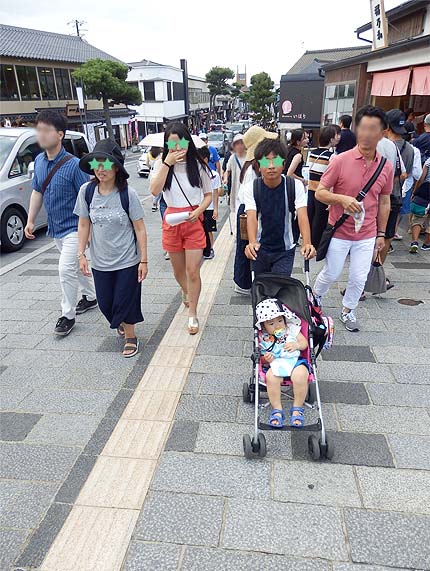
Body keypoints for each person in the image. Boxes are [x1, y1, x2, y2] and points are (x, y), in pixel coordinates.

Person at [313, 105, 393, 332]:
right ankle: (316, 297)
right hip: (339, 230)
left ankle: (348, 310)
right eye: (362, 128)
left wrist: (381, 233)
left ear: (383, 132)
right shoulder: (340, 160)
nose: (366, 133)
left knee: (359, 277)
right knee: (332, 272)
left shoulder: (385, 166)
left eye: (372, 128)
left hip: (367, 233)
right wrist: (340, 199)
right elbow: (320, 192)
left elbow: (384, 201)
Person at [24, 109, 97, 336]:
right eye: (39, 130)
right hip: (55, 229)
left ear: (60, 135)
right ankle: (92, 296)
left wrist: (90, 232)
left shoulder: (74, 165)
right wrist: (30, 220)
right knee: (75, 269)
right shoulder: (39, 160)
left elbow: (88, 199)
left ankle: (67, 315)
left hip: (75, 228)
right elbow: (37, 191)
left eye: (46, 130)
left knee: (65, 269)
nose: (41, 134)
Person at [74, 139, 147, 358]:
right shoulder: (86, 192)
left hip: (127, 259)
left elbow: (141, 229)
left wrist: (144, 260)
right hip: (100, 261)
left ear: (116, 167)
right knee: (106, 304)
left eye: (105, 163)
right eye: (96, 163)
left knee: (127, 299)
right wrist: (81, 255)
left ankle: (131, 335)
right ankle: (120, 321)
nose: (100, 168)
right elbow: (84, 223)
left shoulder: (128, 194)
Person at [150, 122, 212, 335]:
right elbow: (154, 190)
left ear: (188, 141)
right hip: (172, 222)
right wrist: (166, 164)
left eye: (181, 142)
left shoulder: (199, 166)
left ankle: (193, 313)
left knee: (192, 270)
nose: (177, 147)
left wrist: (199, 210)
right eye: (172, 143)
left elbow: (208, 195)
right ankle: (187, 291)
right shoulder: (161, 165)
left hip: (194, 221)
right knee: (178, 271)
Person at [244, 137, 316, 277]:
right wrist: (252, 242)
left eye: (275, 160)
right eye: (266, 161)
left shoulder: (295, 186)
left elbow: (302, 215)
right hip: (260, 248)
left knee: (281, 289)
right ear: (259, 166)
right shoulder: (251, 188)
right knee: (261, 289)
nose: (271, 166)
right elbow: (251, 216)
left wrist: (307, 243)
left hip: (285, 250)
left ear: (283, 164)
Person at [233, 127, 276, 295]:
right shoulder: (254, 168)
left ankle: (243, 283)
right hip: (250, 210)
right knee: (248, 248)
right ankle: (244, 284)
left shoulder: (250, 165)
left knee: (245, 248)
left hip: (246, 209)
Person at [256, 298, 310, 428]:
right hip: (276, 363)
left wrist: (296, 345)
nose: (278, 325)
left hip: (295, 361)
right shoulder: (263, 337)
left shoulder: (291, 328)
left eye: (280, 320)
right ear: (263, 326)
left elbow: (304, 344)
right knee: (271, 377)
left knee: (301, 375)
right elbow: (261, 358)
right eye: (271, 323)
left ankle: (297, 409)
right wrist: (266, 358)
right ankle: (277, 409)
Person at [382, 109, 415, 261]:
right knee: (388, 236)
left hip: (379, 198)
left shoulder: (381, 145)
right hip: (396, 196)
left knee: (371, 236)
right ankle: (378, 268)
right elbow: (406, 174)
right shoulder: (410, 148)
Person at [307, 125, 339, 248]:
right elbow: (332, 178)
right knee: (320, 220)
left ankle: (309, 242)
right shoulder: (332, 156)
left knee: (312, 217)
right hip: (322, 192)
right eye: (337, 135)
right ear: (331, 139)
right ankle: (316, 245)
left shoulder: (312, 153)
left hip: (311, 190)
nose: (338, 137)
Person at [198, 146, 220, 260]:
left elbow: (216, 192)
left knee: (209, 229)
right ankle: (202, 248)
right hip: (198, 206)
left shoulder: (214, 175)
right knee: (200, 229)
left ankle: (210, 248)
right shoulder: (195, 174)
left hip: (209, 207)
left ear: (206, 159)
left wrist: (216, 209)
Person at [410, 157, 430, 253]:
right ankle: (426, 244)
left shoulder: (429, 161)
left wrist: (415, 191)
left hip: (426, 190)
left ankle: (414, 242)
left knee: (418, 218)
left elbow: (422, 178)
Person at [223, 134, 247, 212]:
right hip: (236, 189)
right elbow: (227, 170)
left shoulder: (249, 156)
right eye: (237, 143)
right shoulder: (232, 158)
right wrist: (225, 179)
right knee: (238, 213)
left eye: (241, 143)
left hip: (247, 189)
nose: (239, 146)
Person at [148, 147, 163, 212]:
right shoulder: (160, 154)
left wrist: (150, 168)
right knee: (160, 189)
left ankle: (154, 203)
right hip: (160, 171)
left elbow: (147, 163)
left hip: (152, 172)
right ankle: (155, 202)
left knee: (154, 188)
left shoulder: (149, 154)